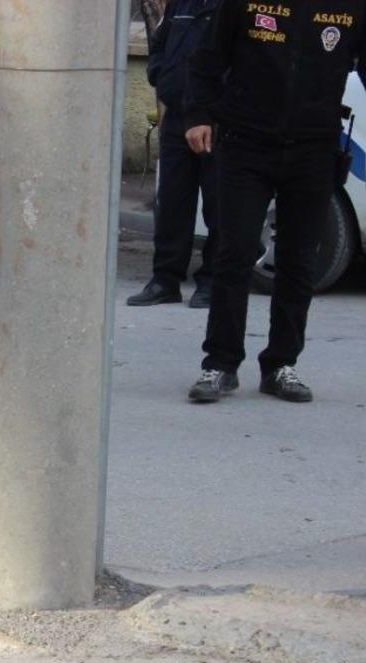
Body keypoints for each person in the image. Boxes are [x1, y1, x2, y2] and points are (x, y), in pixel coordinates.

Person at [184, 0, 366, 403]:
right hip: (245, 144)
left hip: (314, 148)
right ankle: (220, 363)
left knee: (299, 260)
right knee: (234, 254)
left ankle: (281, 365)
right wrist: (197, 114)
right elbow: (207, 60)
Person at [128, 0, 220, 309]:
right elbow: (160, 41)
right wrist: (159, 71)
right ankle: (165, 281)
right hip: (178, 115)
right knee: (172, 204)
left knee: (219, 206)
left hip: (218, 118)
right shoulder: (184, 3)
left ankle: (212, 282)